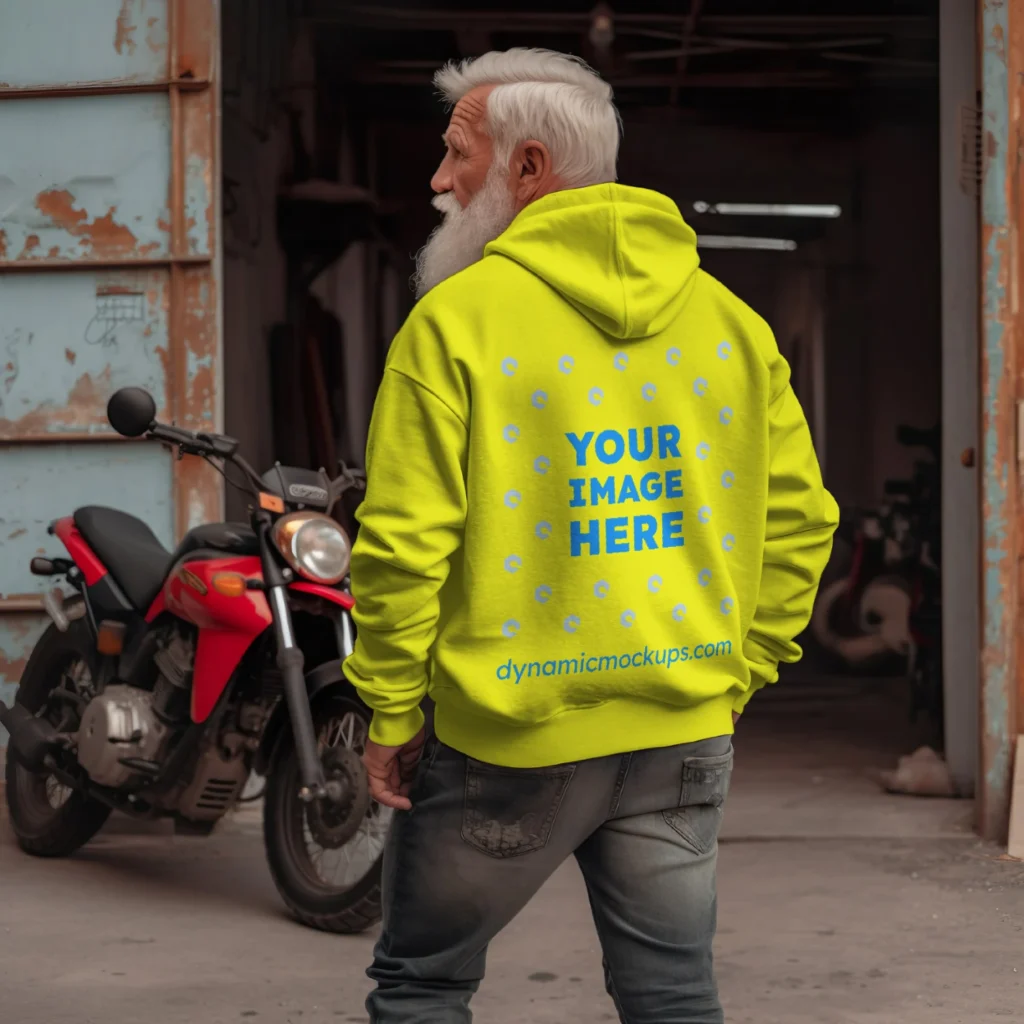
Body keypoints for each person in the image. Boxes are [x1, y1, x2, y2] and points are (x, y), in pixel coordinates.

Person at [343, 48, 839, 1024]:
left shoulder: (456, 325)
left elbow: (403, 545)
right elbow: (801, 521)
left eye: (457, 156)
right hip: (684, 722)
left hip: (508, 735)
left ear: (528, 167)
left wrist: (392, 710)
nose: (439, 183)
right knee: (672, 993)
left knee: (422, 985)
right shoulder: (729, 325)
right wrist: (737, 671)